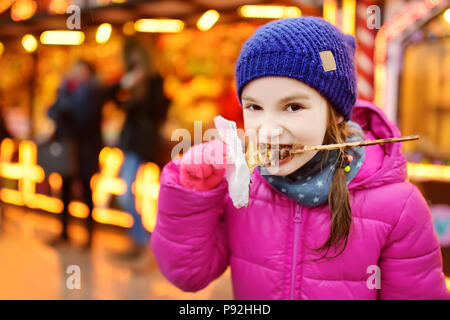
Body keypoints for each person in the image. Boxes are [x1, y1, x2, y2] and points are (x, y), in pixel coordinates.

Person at [150, 17, 450, 299]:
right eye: (254, 107)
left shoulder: (398, 207)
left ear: (334, 113)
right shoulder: (241, 191)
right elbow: (188, 273)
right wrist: (191, 191)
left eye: (293, 107)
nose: (268, 129)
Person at [105, 38, 170, 269]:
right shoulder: (129, 79)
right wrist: (124, 85)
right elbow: (109, 97)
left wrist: (136, 95)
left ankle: (147, 246)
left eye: (135, 54)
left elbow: (158, 110)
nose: (132, 59)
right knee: (126, 193)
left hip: (144, 143)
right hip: (130, 142)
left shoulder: (154, 81)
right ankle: (138, 242)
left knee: (129, 193)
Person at [47, 59, 103, 249]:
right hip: (68, 148)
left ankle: (89, 236)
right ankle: (64, 233)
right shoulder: (66, 90)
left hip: (86, 150)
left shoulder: (93, 93)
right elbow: (53, 111)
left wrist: (67, 113)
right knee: (65, 190)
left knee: (87, 191)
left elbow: (86, 120)